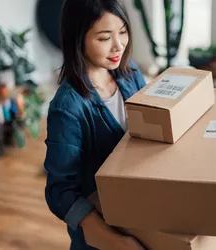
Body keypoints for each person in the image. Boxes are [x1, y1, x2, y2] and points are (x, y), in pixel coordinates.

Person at [43, 0, 147, 249]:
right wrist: (114, 241)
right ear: (78, 38)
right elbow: (60, 191)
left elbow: (150, 127)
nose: (118, 45)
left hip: (141, 211)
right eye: (104, 38)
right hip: (104, 233)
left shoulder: (131, 72)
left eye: (122, 32)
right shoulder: (67, 108)